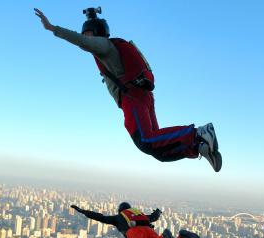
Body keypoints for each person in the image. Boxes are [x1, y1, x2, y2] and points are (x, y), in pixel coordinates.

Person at [34, 7, 222, 172]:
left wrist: (53, 29)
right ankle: (199, 146)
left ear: (96, 33)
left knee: (145, 140)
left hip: (133, 98)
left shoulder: (104, 45)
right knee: (159, 151)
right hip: (142, 96)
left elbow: (83, 42)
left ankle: (198, 134)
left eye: (88, 34)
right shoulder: (110, 50)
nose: (86, 38)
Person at [70, 202, 201, 238]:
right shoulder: (139, 214)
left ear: (120, 210)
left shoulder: (118, 217)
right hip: (149, 231)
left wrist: (83, 211)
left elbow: (100, 217)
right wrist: (158, 212)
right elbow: (153, 217)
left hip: (135, 232)